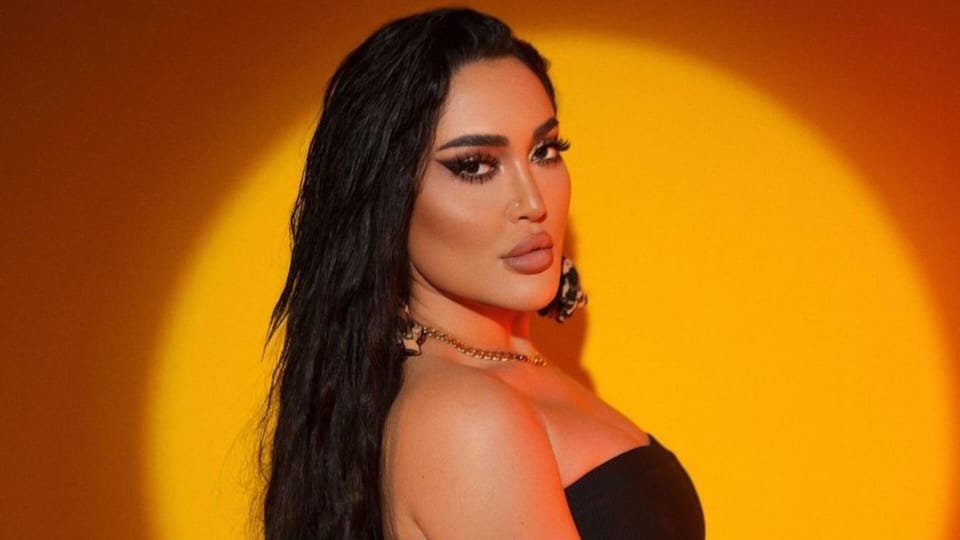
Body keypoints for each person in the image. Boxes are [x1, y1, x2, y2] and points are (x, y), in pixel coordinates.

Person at [258, 7, 705, 539]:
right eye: (474, 166)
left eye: (544, 151)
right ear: (386, 201)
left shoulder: (506, 374)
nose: (533, 202)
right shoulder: (465, 418)